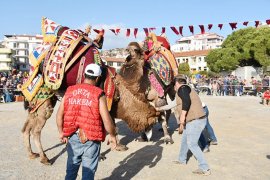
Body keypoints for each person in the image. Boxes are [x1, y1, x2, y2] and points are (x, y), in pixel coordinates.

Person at [56, 63, 117, 180]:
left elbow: (59, 115)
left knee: (70, 171)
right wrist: (113, 135)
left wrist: (61, 132)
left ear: (84, 75)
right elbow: (106, 119)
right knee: (88, 174)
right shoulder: (99, 94)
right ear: (98, 78)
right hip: (91, 139)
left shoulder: (69, 91)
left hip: (73, 137)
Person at [172, 74, 211, 176]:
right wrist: (159, 108)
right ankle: (182, 159)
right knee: (185, 140)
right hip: (193, 121)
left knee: (192, 144)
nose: (174, 87)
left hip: (195, 120)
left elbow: (186, 101)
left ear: (177, 83)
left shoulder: (183, 88)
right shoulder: (185, 89)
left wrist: (182, 116)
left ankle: (204, 168)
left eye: (174, 85)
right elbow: (174, 104)